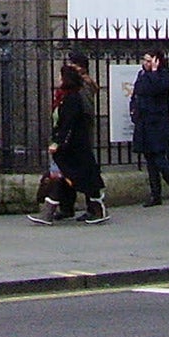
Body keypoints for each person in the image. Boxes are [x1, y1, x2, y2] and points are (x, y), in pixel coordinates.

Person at [34, 62, 106, 224]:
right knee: (61, 176)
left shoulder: (73, 97)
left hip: (74, 146)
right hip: (69, 146)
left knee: (80, 178)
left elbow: (69, 123)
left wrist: (57, 143)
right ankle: (53, 211)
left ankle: (96, 208)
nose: (58, 79)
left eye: (60, 76)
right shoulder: (64, 96)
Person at [130, 49, 169, 207]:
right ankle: (155, 194)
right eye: (145, 60)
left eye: (150, 61)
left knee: (160, 159)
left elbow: (157, 89)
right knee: (149, 160)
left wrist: (155, 71)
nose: (146, 63)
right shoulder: (142, 75)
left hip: (157, 122)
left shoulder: (163, 75)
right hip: (144, 122)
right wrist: (134, 111)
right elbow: (137, 93)